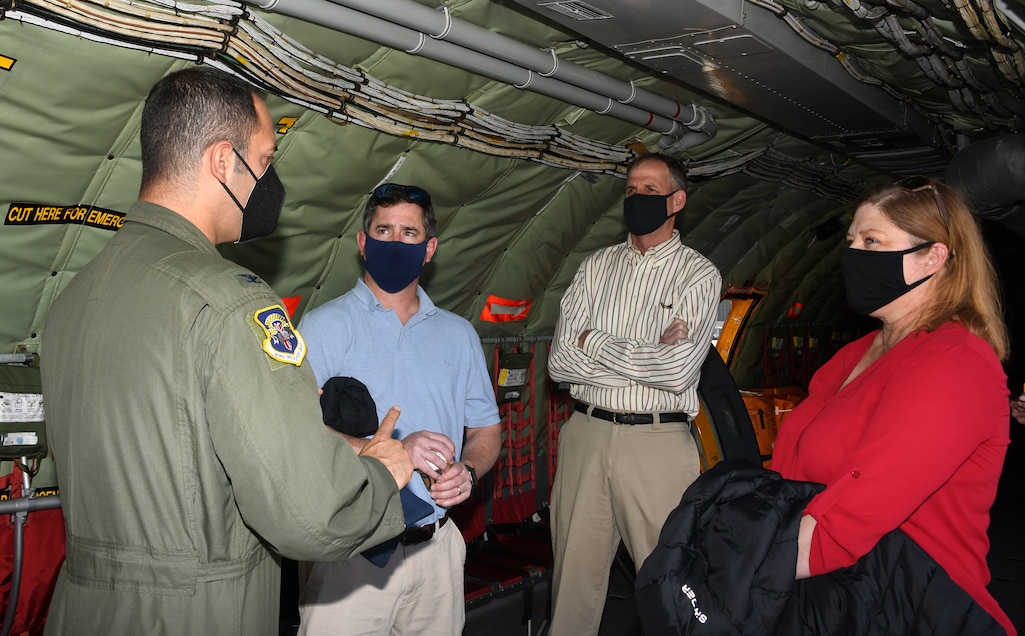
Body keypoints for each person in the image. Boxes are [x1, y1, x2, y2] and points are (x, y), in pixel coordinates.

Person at [39, 67, 413, 636]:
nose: (269, 181)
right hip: (197, 613)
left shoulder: (71, 300)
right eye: (264, 161)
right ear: (222, 161)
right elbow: (310, 513)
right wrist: (383, 476)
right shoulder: (229, 302)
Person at [772, 176, 1016, 634]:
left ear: (933, 257)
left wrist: (752, 566)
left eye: (872, 241)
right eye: (851, 241)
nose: (853, 254)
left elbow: (862, 503)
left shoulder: (954, 363)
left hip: (908, 601)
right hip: (833, 594)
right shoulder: (856, 353)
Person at [296, 182, 502, 636]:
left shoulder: (459, 334)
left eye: (408, 234)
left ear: (429, 249)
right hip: (352, 550)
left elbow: (486, 430)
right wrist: (389, 451)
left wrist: (468, 469)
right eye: (383, 230)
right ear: (362, 242)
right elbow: (296, 430)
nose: (394, 242)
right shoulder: (323, 326)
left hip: (437, 551)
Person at [546, 152, 722, 636]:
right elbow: (560, 363)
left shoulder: (698, 274)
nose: (637, 198)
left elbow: (679, 372)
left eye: (650, 190)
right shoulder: (594, 267)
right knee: (572, 585)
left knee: (668, 579)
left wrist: (594, 341)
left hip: (657, 444)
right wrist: (647, 356)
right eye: (630, 190)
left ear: (677, 200)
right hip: (586, 433)